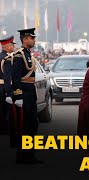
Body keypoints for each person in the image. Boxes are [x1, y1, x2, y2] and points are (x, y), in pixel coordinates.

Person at [11, 28, 42, 164]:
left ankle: (30, 155)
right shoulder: (19, 56)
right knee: (24, 127)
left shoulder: (29, 54)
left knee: (32, 125)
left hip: (31, 94)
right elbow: (15, 78)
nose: (34, 40)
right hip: (24, 95)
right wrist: (18, 97)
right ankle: (22, 156)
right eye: (32, 38)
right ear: (24, 40)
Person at [0, 35, 15, 135]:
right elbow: (7, 78)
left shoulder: (1, 56)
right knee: (5, 112)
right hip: (4, 88)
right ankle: (5, 130)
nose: (13, 47)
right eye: (12, 45)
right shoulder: (7, 59)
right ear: (6, 46)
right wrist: (9, 94)